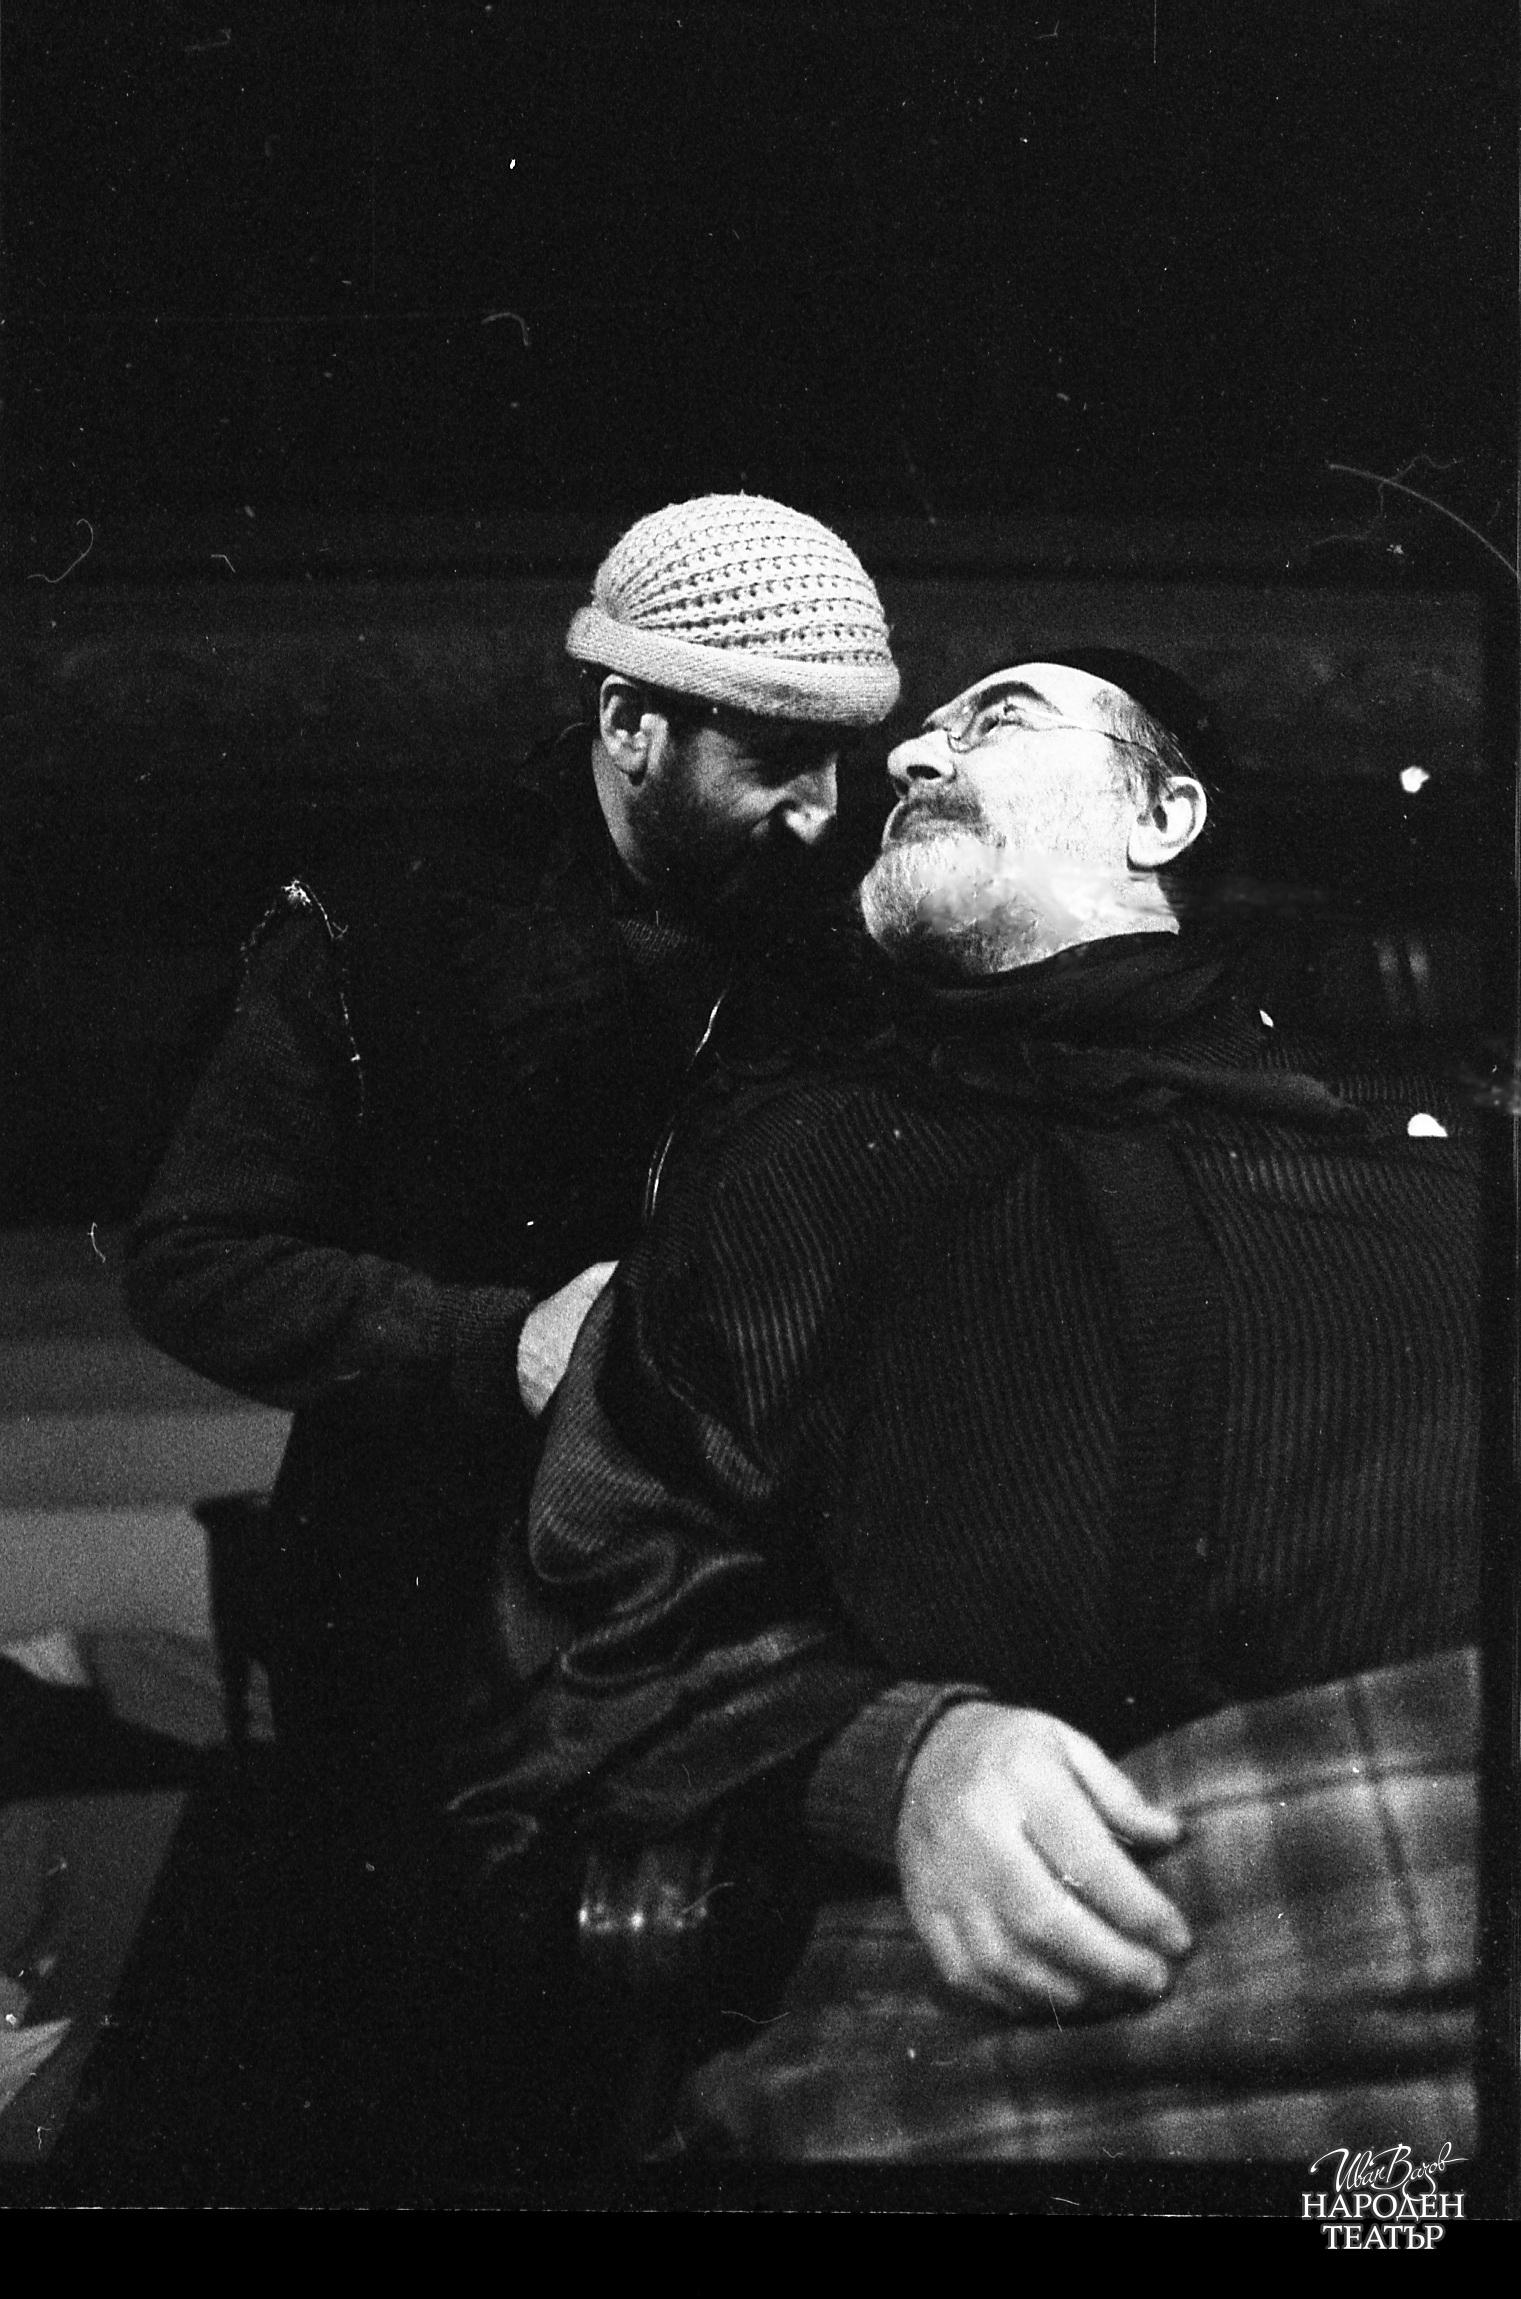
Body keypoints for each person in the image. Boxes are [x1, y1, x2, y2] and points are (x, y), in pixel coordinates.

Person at [449, 649, 1482, 2161]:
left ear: (1162, 816)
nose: (909, 760)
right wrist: (894, 1760)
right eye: (917, 739)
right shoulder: (783, 1179)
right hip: (989, 2043)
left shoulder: (1442, 1190)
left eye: (990, 720)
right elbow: (586, 1614)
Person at [119, 491, 899, 1787]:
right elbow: (191, 1260)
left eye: (840, 758)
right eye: (775, 757)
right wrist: (497, 1347)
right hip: (412, 1624)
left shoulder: (825, 935)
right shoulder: (375, 928)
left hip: (721, 1614)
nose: (822, 809)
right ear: (630, 725)